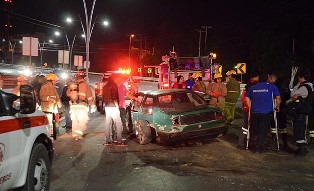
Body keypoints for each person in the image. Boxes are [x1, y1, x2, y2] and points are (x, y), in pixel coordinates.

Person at [246, 74, 281, 153]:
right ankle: (259, 148)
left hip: (255, 112)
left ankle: (252, 144)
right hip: (266, 112)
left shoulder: (253, 87)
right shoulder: (272, 87)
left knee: (255, 129)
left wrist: (250, 107)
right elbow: (278, 98)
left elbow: (247, 97)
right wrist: (278, 106)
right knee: (263, 130)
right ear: (267, 79)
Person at [67, 71, 96, 140]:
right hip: (82, 105)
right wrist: (93, 105)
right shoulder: (85, 85)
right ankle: (78, 135)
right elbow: (89, 96)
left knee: (75, 120)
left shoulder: (72, 85)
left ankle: (74, 134)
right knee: (82, 120)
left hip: (73, 105)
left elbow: (68, 94)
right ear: (84, 77)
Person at [290, 70, 313, 156]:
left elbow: (292, 94)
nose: (298, 79)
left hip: (300, 112)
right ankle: (300, 148)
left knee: (298, 129)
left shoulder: (303, 87)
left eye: (299, 78)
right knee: (300, 129)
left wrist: (297, 86)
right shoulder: (310, 86)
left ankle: (301, 149)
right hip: (303, 111)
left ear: (302, 78)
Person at [269, 75, 293, 152]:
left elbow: (284, 94)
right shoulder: (282, 84)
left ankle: (275, 143)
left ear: (272, 78)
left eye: (269, 78)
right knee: (282, 127)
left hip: (277, 107)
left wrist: (280, 101)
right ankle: (284, 144)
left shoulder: (274, 86)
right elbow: (288, 93)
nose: (268, 80)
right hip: (282, 108)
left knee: (274, 126)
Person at [238, 72, 259, 150]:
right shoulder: (250, 86)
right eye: (257, 78)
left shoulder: (249, 85)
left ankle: (246, 143)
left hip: (249, 109)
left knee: (247, 127)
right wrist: (249, 107)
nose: (258, 79)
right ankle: (242, 143)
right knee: (246, 127)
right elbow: (245, 99)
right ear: (253, 78)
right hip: (249, 109)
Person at [102, 73, 125, 145]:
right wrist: (117, 107)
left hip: (107, 106)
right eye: (119, 78)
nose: (120, 80)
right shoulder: (114, 86)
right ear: (115, 78)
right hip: (113, 106)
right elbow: (114, 98)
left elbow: (103, 97)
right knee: (118, 123)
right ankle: (119, 140)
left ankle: (108, 140)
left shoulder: (105, 86)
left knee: (107, 123)